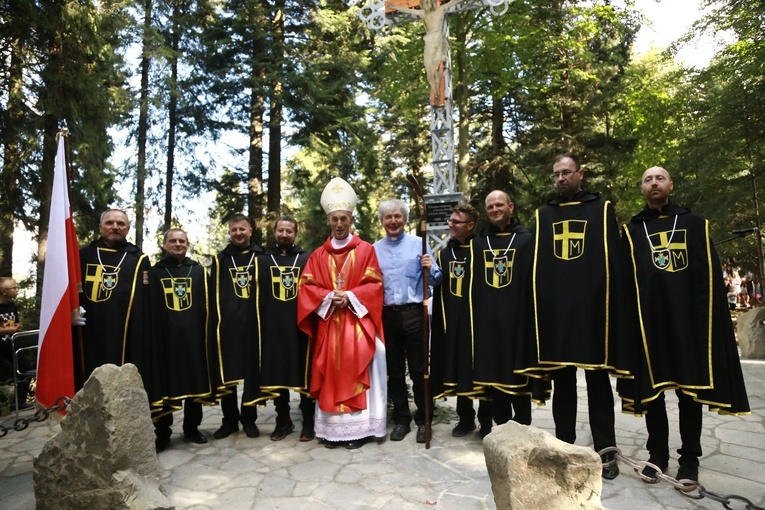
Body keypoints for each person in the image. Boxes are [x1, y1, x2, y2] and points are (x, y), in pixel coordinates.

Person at [617, 166, 750, 484]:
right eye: (647, 179)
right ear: (642, 188)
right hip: (648, 325)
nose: (653, 183)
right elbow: (622, 282)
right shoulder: (632, 231)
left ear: (671, 185)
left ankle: (689, 459)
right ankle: (657, 457)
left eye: (659, 178)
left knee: (690, 392)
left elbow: (708, 279)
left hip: (687, 321)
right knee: (653, 393)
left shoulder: (693, 225)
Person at [532, 153, 630, 480]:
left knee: (598, 382)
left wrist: (612, 307)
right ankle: (564, 445)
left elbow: (613, 262)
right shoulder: (545, 215)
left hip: (592, 313)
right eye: (556, 174)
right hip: (559, 313)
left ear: (580, 174)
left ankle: (605, 450)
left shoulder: (601, 209)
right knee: (563, 382)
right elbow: (539, 267)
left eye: (566, 173)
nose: (560, 179)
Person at [297, 177, 387, 450]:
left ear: (351, 219)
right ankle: (333, 432)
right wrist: (326, 296)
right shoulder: (317, 256)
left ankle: (358, 431)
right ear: (328, 221)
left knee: (358, 371)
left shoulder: (366, 250)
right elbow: (306, 287)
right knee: (330, 375)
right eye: (334, 219)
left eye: (343, 219)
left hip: (358, 325)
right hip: (330, 325)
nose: (339, 224)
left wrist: (349, 295)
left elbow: (376, 285)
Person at [471, 191, 546, 432]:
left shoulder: (526, 240)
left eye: (499, 204)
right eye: (490, 206)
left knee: (519, 379)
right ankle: (502, 433)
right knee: (495, 379)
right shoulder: (479, 243)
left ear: (510, 206)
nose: (494, 209)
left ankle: (523, 430)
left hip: (518, 323)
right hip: (489, 324)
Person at [374, 198, 442, 444]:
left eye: (397, 216)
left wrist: (430, 268)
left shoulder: (418, 244)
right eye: (388, 217)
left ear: (404, 219)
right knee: (394, 373)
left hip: (415, 314)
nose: (393, 221)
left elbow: (436, 280)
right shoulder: (374, 250)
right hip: (387, 316)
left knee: (419, 370)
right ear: (382, 221)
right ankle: (402, 419)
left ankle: (424, 419)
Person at [431, 204, 492, 437]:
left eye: (456, 222)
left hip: (479, 320)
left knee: (481, 369)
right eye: (450, 220)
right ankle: (465, 419)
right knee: (460, 368)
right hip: (454, 321)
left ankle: (486, 421)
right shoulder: (444, 254)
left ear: (470, 225)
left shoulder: (483, 249)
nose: (451, 225)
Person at [150, 229, 214, 452]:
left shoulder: (197, 272)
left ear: (187, 244)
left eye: (181, 241)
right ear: (165, 244)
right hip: (165, 340)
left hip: (194, 339)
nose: (177, 244)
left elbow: (209, 306)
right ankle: (163, 433)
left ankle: (191, 428)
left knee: (195, 384)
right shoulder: (155, 272)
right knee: (166, 386)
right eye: (172, 241)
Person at [79, 209, 153, 390]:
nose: (115, 227)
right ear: (100, 227)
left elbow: (146, 299)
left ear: (127, 229)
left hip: (126, 333)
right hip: (89, 328)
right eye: (109, 223)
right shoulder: (82, 255)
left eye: (121, 224)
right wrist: (71, 310)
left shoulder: (138, 258)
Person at [258, 216, 316, 441]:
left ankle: (308, 422)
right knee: (277, 375)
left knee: (304, 375)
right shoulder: (263, 260)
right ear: (274, 232)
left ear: (295, 234)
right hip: (273, 328)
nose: (284, 234)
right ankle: (283, 421)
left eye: (288, 231)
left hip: (300, 327)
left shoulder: (306, 259)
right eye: (280, 230)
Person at [209, 213, 264, 440]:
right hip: (227, 326)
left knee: (252, 373)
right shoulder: (220, 259)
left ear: (250, 230)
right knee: (227, 376)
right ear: (229, 232)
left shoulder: (262, 257)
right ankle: (229, 420)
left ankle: (249, 419)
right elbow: (212, 294)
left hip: (254, 325)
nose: (238, 233)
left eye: (242, 229)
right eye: (234, 230)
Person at [0, 277, 32, 410]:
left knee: (26, 369)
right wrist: (7, 330)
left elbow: (14, 322)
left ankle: (18, 402)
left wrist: (17, 327)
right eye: (13, 288)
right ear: (4, 291)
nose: (17, 290)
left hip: (12, 344)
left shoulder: (12, 305)